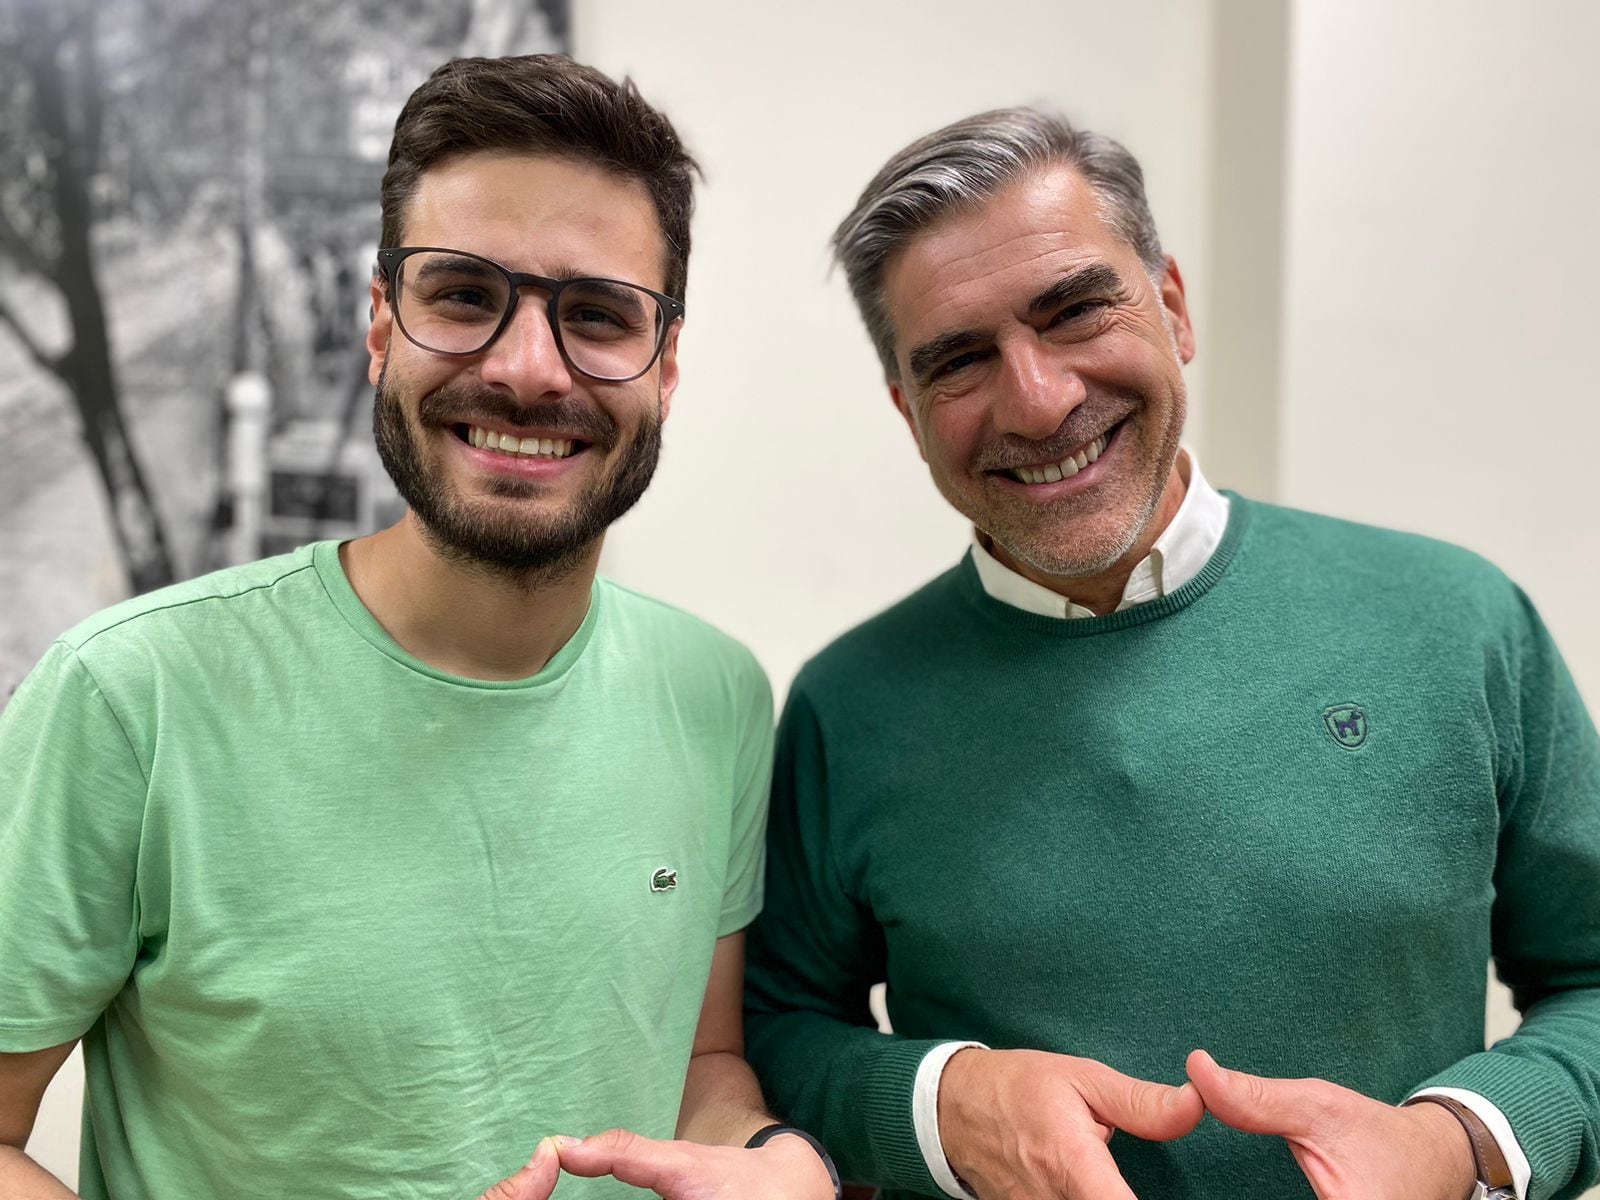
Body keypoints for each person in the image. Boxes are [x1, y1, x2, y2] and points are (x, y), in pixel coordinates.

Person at [0, 55, 837, 1200]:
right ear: (381, 324)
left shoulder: (717, 694)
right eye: (462, 295)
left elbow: (700, 1061)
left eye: (596, 315)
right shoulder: (126, 698)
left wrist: (773, 1160)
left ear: (668, 364)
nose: (528, 369)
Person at [743, 107, 1600, 1200]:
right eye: (960, 361)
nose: (1040, 399)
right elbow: (777, 1030)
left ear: (1174, 308)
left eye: (1074, 311)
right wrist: (940, 1100)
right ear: (906, 413)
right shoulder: (845, 707)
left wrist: (1459, 1140)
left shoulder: (1459, 622)